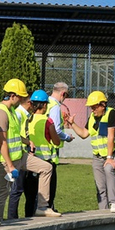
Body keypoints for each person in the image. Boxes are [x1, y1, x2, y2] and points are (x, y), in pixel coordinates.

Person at [0, 79, 59, 219]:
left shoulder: (11, 111)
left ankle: (42, 207)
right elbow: (2, 142)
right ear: (12, 95)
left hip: (20, 156)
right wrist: (10, 166)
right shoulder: (1, 113)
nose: (22, 100)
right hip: (7, 161)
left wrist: (27, 141)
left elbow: (13, 134)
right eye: (20, 96)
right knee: (3, 191)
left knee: (46, 168)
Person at [65, 91, 115, 212]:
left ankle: (113, 203)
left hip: (112, 154)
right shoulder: (92, 118)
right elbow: (84, 134)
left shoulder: (111, 114)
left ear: (103, 105)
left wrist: (110, 158)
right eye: (91, 107)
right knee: (100, 185)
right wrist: (72, 124)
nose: (92, 110)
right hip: (98, 156)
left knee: (108, 169)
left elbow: (111, 137)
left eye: (95, 107)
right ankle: (103, 210)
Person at [20, 90, 63, 216]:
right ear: (44, 105)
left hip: (30, 164)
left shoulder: (26, 121)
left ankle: (28, 219)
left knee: (30, 198)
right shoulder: (47, 121)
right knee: (46, 198)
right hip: (46, 163)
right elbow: (56, 141)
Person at [45, 82, 74, 210]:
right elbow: (56, 130)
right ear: (62, 93)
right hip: (50, 149)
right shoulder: (55, 106)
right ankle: (49, 207)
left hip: (39, 148)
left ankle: (42, 206)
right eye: (66, 96)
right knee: (51, 181)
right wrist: (68, 137)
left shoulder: (44, 103)